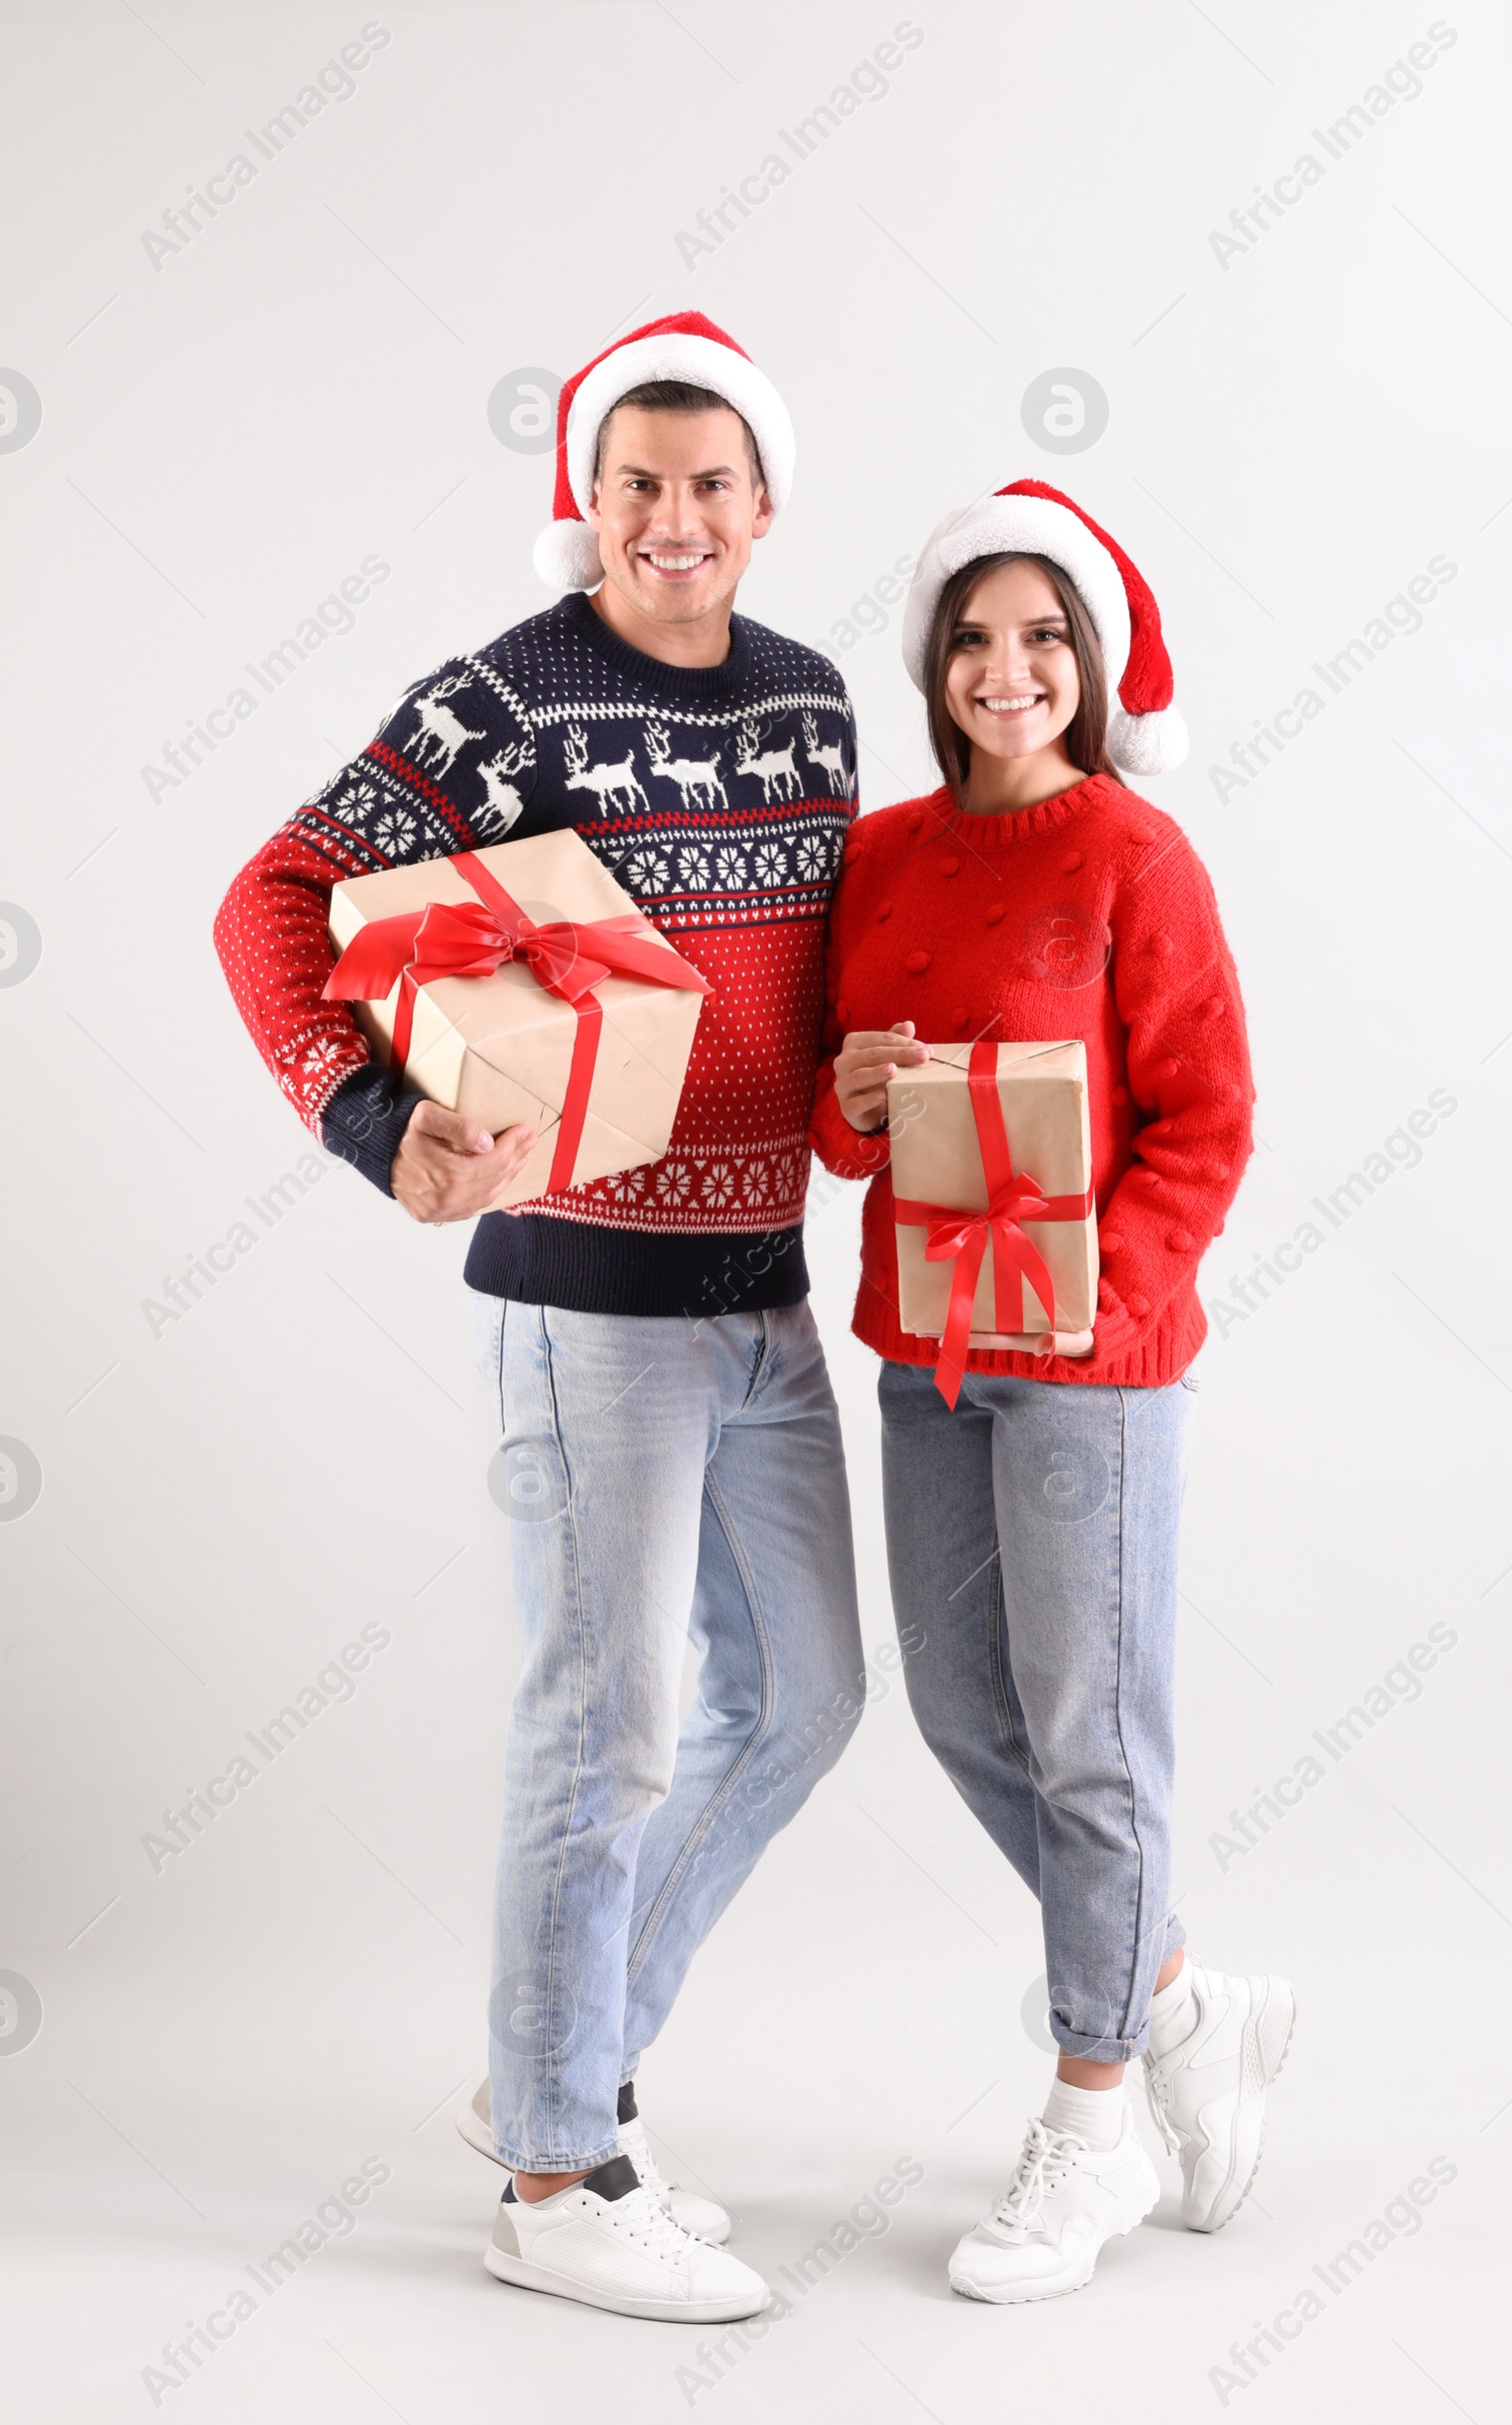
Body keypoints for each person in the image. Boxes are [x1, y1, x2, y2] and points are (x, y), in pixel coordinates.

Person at [215, 312, 868, 2325]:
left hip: (764, 1298)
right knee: (608, 1729)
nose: (670, 522)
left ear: (764, 506)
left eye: (706, 487)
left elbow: (798, 993)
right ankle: (558, 2172)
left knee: (807, 1696)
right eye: (631, 487)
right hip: (590, 1306)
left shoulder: (817, 704)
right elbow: (273, 894)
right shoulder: (511, 700)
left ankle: (544, 2065)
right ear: (579, 507)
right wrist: (364, 1110)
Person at [808, 479, 1294, 2304]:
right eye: (974, 635)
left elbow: (1208, 1116)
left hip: (1088, 1364)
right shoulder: (882, 852)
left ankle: (1093, 2117)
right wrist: (847, 1105)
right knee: (961, 1712)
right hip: (931, 1349)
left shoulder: (1136, 857)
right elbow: (842, 1126)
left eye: (1041, 637)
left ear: (1085, 665)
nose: (1006, 668)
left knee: (1092, 1736)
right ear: (936, 662)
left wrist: (1117, 1290)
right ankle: (1178, 1994)